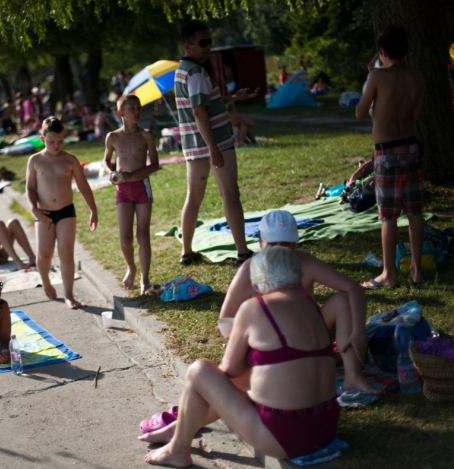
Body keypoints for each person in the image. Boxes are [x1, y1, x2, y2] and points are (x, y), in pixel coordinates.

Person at [140, 247, 339, 465]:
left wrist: (239, 340)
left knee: (200, 371)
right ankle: (179, 429)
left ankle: (177, 449)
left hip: (285, 438)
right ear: (299, 275)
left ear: (256, 284)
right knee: (255, 372)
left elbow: (230, 371)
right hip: (325, 428)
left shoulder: (254, 308)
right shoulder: (311, 306)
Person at [219, 210, 379, 394]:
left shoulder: (303, 262)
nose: (279, 249)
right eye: (273, 244)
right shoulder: (248, 271)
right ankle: (329, 359)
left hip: (309, 334)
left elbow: (354, 288)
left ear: (295, 242)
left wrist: (359, 331)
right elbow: (225, 318)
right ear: (260, 241)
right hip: (270, 345)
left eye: (285, 244)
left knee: (342, 300)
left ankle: (353, 376)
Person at [174, 21, 257, 266]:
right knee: (230, 194)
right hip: (215, 142)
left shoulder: (183, 69)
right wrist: (214, 148)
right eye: (203, 42)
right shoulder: (197, 72)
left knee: (194, 197)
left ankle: (186, 252)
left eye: (209, 41)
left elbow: (204, 104)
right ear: (188, 45)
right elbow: (199, 112)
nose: (208, 46)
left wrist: (230, 98)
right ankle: (243, 253)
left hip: (192, 145)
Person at [356, 25, 425, 288]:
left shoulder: (377, 77)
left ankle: (388, 274)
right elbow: (416, 116)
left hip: (387, 153)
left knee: (388, 215)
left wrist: (372, 79)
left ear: (382, 51)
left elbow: (360, 113)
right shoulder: (418, 77)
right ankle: (417, 272)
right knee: (415, 211)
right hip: (411, 148)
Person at [26, 117, 98, 309]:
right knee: (44, 255)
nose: (56, 145)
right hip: (44, 213)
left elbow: (83, 186)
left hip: (66, 211)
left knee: (66, 253)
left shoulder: (70, 160)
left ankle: (69, 295)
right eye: (51, 142)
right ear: (42, 140)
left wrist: (93, 209)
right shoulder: (35, 160)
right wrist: (34, 208)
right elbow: (30, 188)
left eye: (60, 141)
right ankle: (47, 282)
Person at [103, 95, 160, 294]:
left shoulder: (146, 135)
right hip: (123, 191)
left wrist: (133, 175)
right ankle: (131, 268)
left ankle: (145, 280)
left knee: (143, 234)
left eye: (139, 108)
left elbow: (154, 164)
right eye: (132, 109)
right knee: (125, 238)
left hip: (142, 186)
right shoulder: (112, 137)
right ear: (121, 113)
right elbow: (106, 160)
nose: (137, 112)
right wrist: (112, 173)